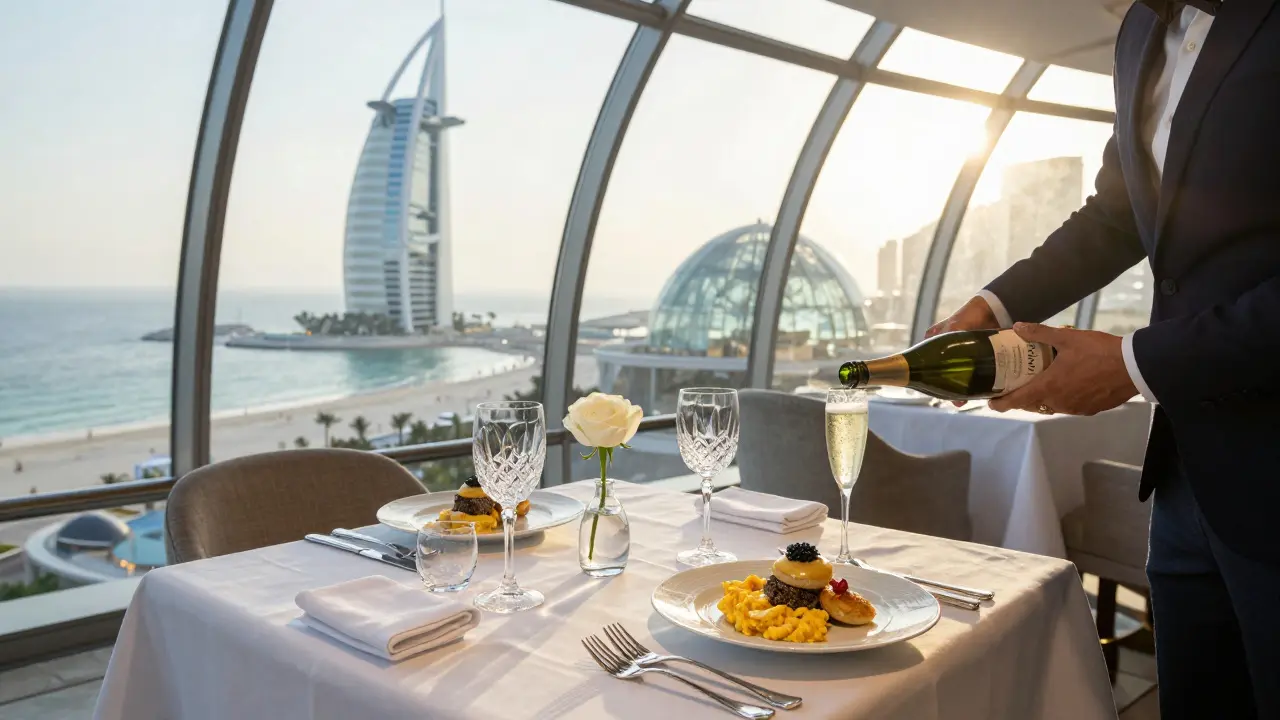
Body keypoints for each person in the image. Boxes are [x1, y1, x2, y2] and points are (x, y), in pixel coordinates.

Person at [929, 1, 1280, 716]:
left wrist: (1133, 362)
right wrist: (990, 307)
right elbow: (1115, 216)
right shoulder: (1139, 34)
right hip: (1188, 477)